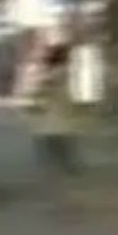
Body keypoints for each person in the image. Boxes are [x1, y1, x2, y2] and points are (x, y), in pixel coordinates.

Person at [25, 44, 82, 178]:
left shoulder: (55, 72)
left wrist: (34, 99)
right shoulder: (58, 72)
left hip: (54, 109)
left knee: (55, 139)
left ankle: (60, 166)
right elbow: (44, 87)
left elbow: (41, 88)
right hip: (55, 109)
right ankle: (65, 166)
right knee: (58, 138)